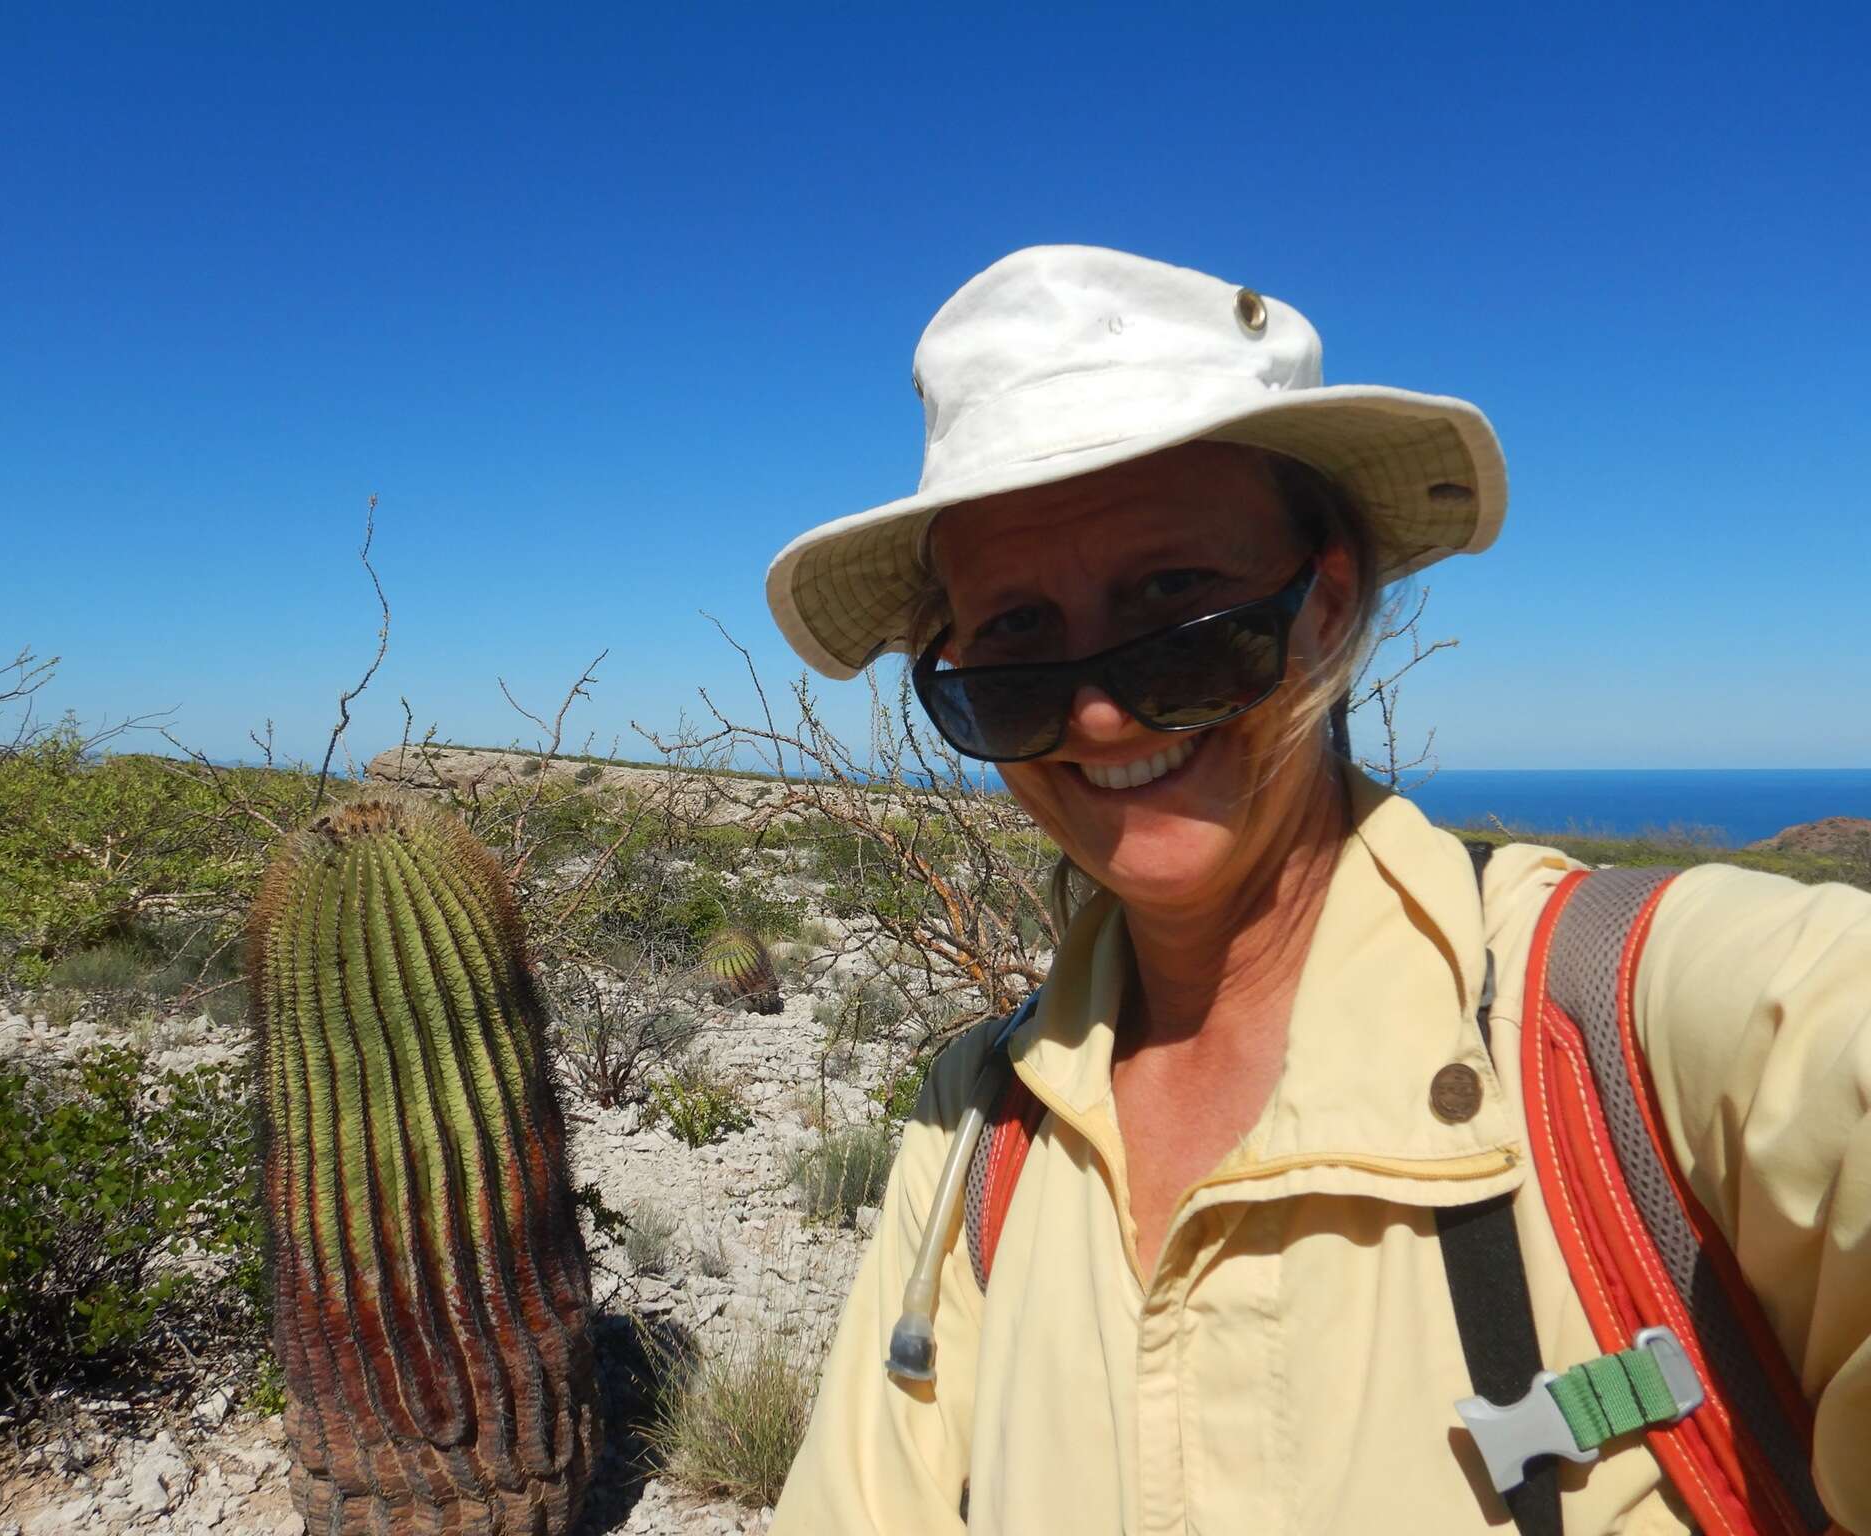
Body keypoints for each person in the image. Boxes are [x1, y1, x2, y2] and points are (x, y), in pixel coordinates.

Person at [759, 246, 1870, 1535]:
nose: (1102, 709)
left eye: (1179, 606)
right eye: (1011, 643)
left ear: (1325, 606)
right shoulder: (975, 1138)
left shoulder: (1644, 1032)